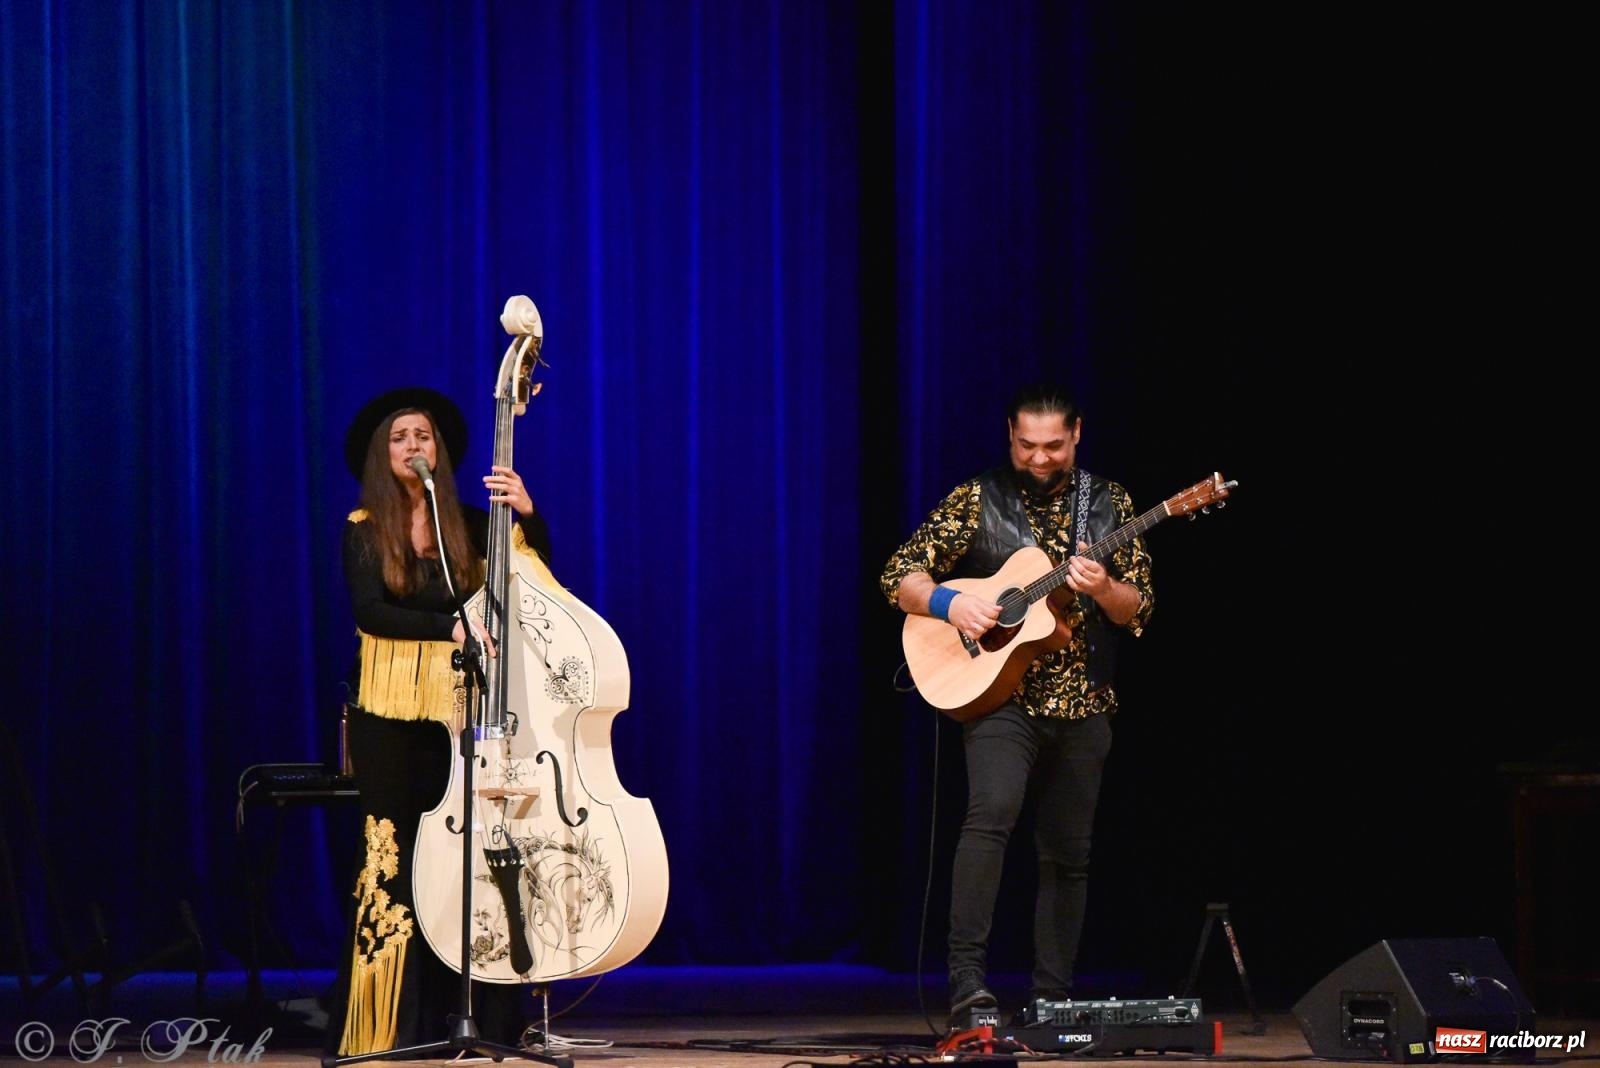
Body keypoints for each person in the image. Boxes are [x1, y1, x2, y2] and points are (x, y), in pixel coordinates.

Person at [879, 382, 1154, 1030]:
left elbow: (1138, 607)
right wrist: (953, 604)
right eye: (1026, 445)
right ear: (1010, 435)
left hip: (1085, 698)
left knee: (1069, 852)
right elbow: (900, 574)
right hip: (1003, 696)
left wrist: (1105, 585)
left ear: (1077, 434)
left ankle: (1053, 1000)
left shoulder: (1110, 503)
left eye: (1052, 446)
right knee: (991, 818)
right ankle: (968, 990)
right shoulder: (977, 498)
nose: (1038, 458)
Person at [330, 386, 553, 1057]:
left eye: (421, 436)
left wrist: (529, 519)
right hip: (390, 719)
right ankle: (383, 1027)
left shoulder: (468, 522)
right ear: (382, 453)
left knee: (469, 866)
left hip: (462, 717)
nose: (412, 447)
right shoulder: (363, 525)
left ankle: (474, 1020)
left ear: (440, 450)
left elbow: (535, 594)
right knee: (391, 865)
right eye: (399, 437)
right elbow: (372, 612)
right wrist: (450, 626)